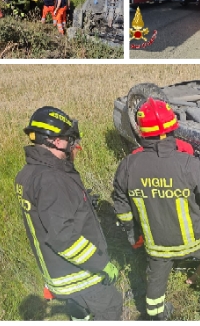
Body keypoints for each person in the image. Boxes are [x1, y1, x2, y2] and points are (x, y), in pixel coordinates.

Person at [113, 98, 200, 320]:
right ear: (172, 127)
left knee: (156, 277)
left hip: (157, 245)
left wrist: (133, 233)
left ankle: (156, 313)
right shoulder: (187, 163)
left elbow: (121, 206)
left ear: (141, 132)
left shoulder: (127, 166)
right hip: (197, 239)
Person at [15, 106, 123, 320]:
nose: (74, 146)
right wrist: (100, 264)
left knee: (79, 311)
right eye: (69, 140)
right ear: (55, 141)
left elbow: (50, 216)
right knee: (111, 306)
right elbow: (63, 237)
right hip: (78, 274)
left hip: (56, 270)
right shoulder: (52, 180)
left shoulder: (28, 173)